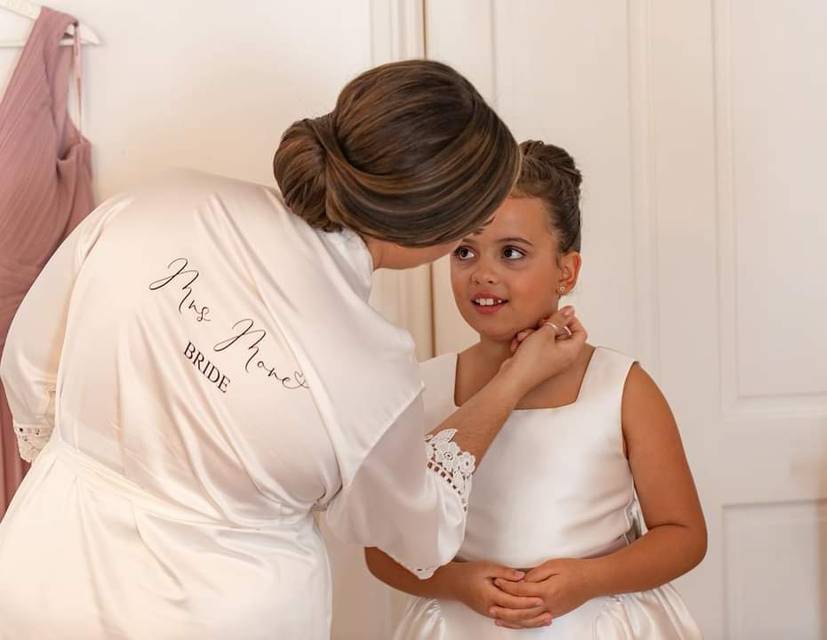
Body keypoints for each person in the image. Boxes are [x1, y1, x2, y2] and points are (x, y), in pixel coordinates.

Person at [0, 61, 584, 639]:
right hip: (220, 613)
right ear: (440, 230)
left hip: (45, 566)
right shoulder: (371, 369)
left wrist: (99, 464)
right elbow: (418, 531)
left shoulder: (161, 200)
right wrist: (511, 383)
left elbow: (30, 365)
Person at [366, 141, 705, 639]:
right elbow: (380, 549)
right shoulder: (422, 387)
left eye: (511, 253)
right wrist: (457, 582)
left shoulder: (621, 388)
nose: (483, 272)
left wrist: (592, 578)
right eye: (464, 251)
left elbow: (684, 535)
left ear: (566, 271)